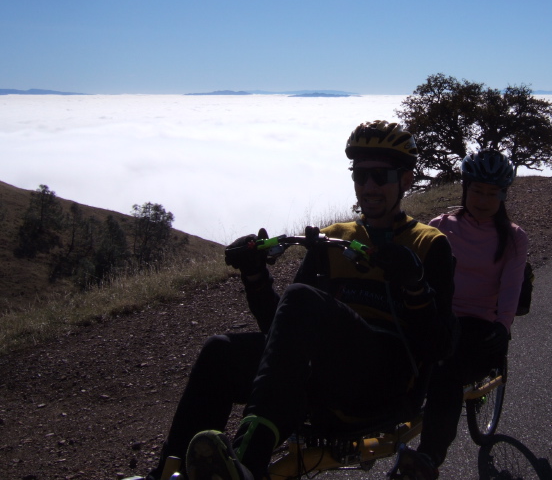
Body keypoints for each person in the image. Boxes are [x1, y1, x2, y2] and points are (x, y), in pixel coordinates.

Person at [135, 120, 456, 480]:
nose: (368, 187)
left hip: (384, 383)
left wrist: (415, 286)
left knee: (302, 297)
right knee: (220, 351)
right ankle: (169, 471)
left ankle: (249, 461)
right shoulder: (334, 238)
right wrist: (255, 276)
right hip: (327, 374)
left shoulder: (429, 244)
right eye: (360, 176)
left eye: (380, 176)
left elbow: (441, 348)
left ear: (406, 180)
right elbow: (284, 334)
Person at [412, 149, 529, 472]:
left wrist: (503, 326)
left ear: (503, 195)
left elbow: (511, 287)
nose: (483, 200)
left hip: (479, 326)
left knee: (445, 372)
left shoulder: (514, 238)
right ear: (465, 188)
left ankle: (428, 458)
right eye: (477, 190)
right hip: (440, 318)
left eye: (493, 193)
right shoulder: (440, 226)